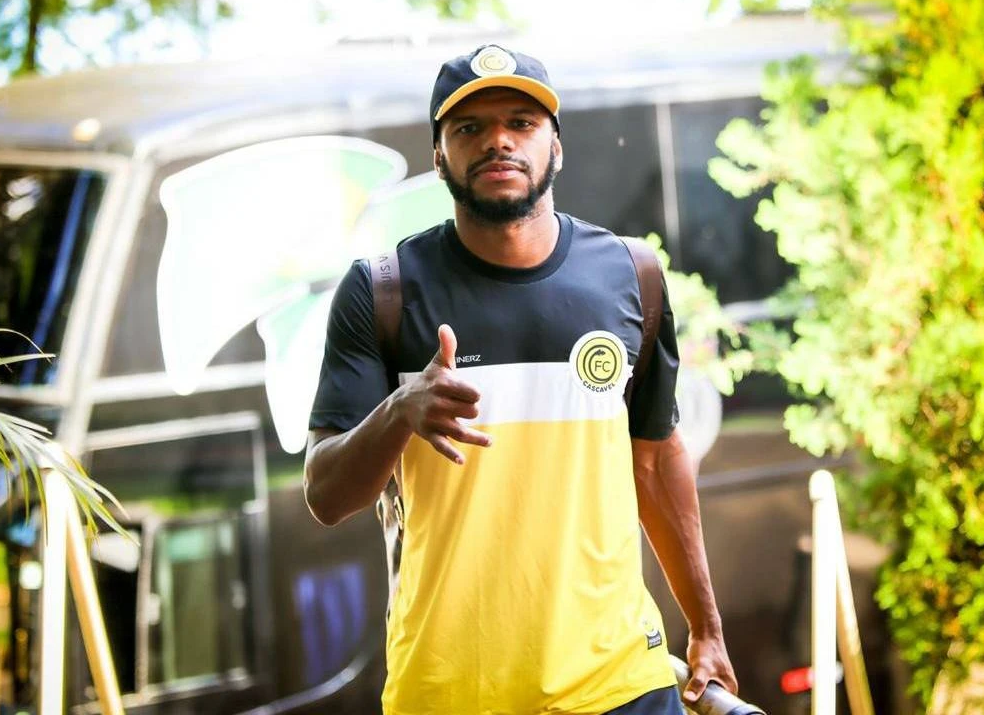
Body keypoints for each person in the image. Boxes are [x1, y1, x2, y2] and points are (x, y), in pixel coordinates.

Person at [304, 44, 737, 715]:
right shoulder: (383, 291)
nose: (498, 141)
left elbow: (654, 464)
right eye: (469, 128)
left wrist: (706, 627)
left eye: (521, 122)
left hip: (623, 684)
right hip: (449, 693)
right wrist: (399, 410)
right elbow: (327, 496)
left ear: (556, 147)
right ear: (439, 156)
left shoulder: (633, 275)